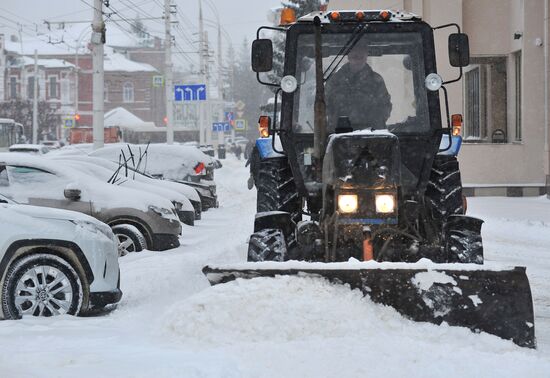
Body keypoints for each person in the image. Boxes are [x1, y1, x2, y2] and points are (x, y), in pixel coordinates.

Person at [326, 43, 392, 132]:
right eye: (355, 56)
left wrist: (374, 124)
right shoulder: (334, 81)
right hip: (338, 135)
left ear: (366, 57)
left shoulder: (376, 81)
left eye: (361, 57)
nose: (358, 60)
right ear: (349, 56)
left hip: (371, 136)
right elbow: (325, 107)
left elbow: (385, 106)